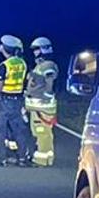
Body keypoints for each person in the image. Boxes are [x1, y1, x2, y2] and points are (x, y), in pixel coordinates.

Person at [0, 34, 32, 167]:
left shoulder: (4, 65)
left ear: (5, 48)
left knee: (0, 130)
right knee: (19, 130)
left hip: (4, 101)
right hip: (18, 100)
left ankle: (1, 159)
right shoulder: (22, 63)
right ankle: (22, 158)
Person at [26, 36, 59, 167]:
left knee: (42, 132)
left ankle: (41, 159)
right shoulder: (40, 65)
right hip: (38, 105)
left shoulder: (48, 65)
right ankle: (46, 158)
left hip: (43, 106)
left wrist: (46, 94)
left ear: (44, 50)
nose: (35, 52)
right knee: (41, 132)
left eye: (37, 49)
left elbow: (49, 81)